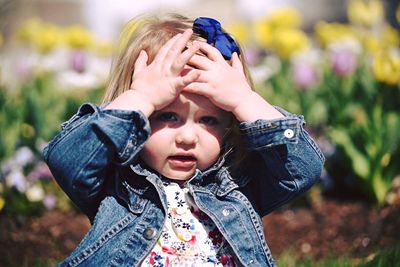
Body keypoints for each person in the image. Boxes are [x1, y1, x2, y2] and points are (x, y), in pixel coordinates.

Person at [43, 13, 325, 267]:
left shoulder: (237, 182)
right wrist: (142, 96)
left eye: (208, 120)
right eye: (167, 116)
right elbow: (67, 160)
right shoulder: (119, 183)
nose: (188, 137)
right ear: (140, 116)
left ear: (229, 124)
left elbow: (303, 168)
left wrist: (244, 99)